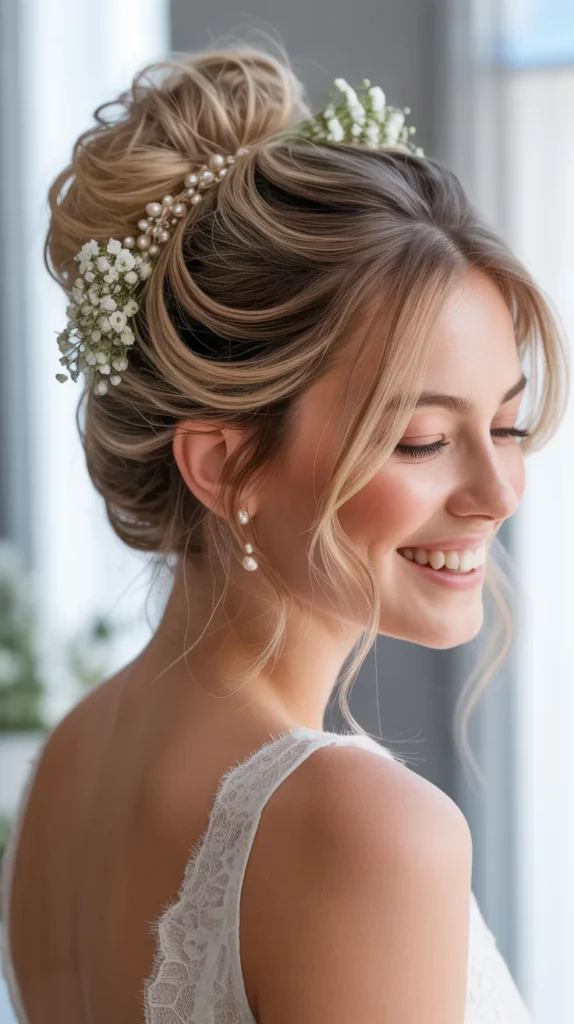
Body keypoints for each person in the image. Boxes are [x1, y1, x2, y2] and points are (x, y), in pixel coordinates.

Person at [0, 38, 569, 1024]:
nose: (497, 492)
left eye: (507, 425)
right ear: (225, 466)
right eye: (423, 440)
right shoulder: (365, 832)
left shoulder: (69, 763)